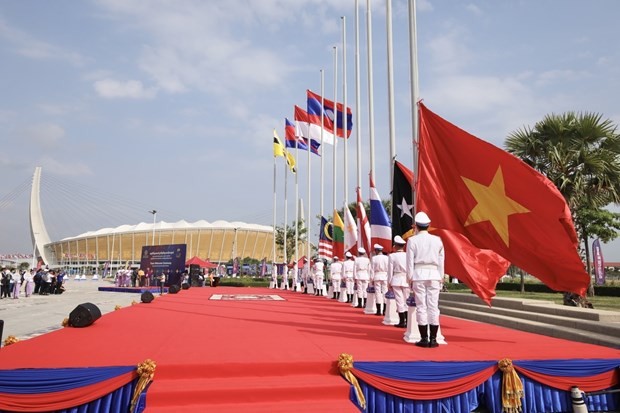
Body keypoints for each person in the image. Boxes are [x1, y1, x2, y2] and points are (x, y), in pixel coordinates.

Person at [406, 211, 445, 348]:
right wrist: (441, 276)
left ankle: (424, 338)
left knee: (421, 306)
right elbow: (441, 261)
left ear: (415, 225)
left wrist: (409, 278)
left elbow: (409, 262)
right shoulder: (438, 240)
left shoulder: (412, 240)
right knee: (433, 306)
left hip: (418, 274)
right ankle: (433, 339)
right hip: (434, 274)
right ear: (428, 226)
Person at [388, 236, 409, 328]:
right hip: (406, 279)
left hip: (396, 279)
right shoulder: (408, 255)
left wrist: (389, 282)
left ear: (395, 246)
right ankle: (408, 321)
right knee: (406, 300)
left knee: (399, 301)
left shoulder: (392, 256)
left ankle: (401, 321)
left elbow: (390, 271)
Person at [370, 244, 389, 316]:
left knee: (378, 293)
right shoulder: (386, 258)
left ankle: (378, 310)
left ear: (377, 250)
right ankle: (384, 310)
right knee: (385, 292)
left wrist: (371, 279)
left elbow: (372, 270)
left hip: (377, 276)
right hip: (385, 276)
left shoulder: (374, 258)